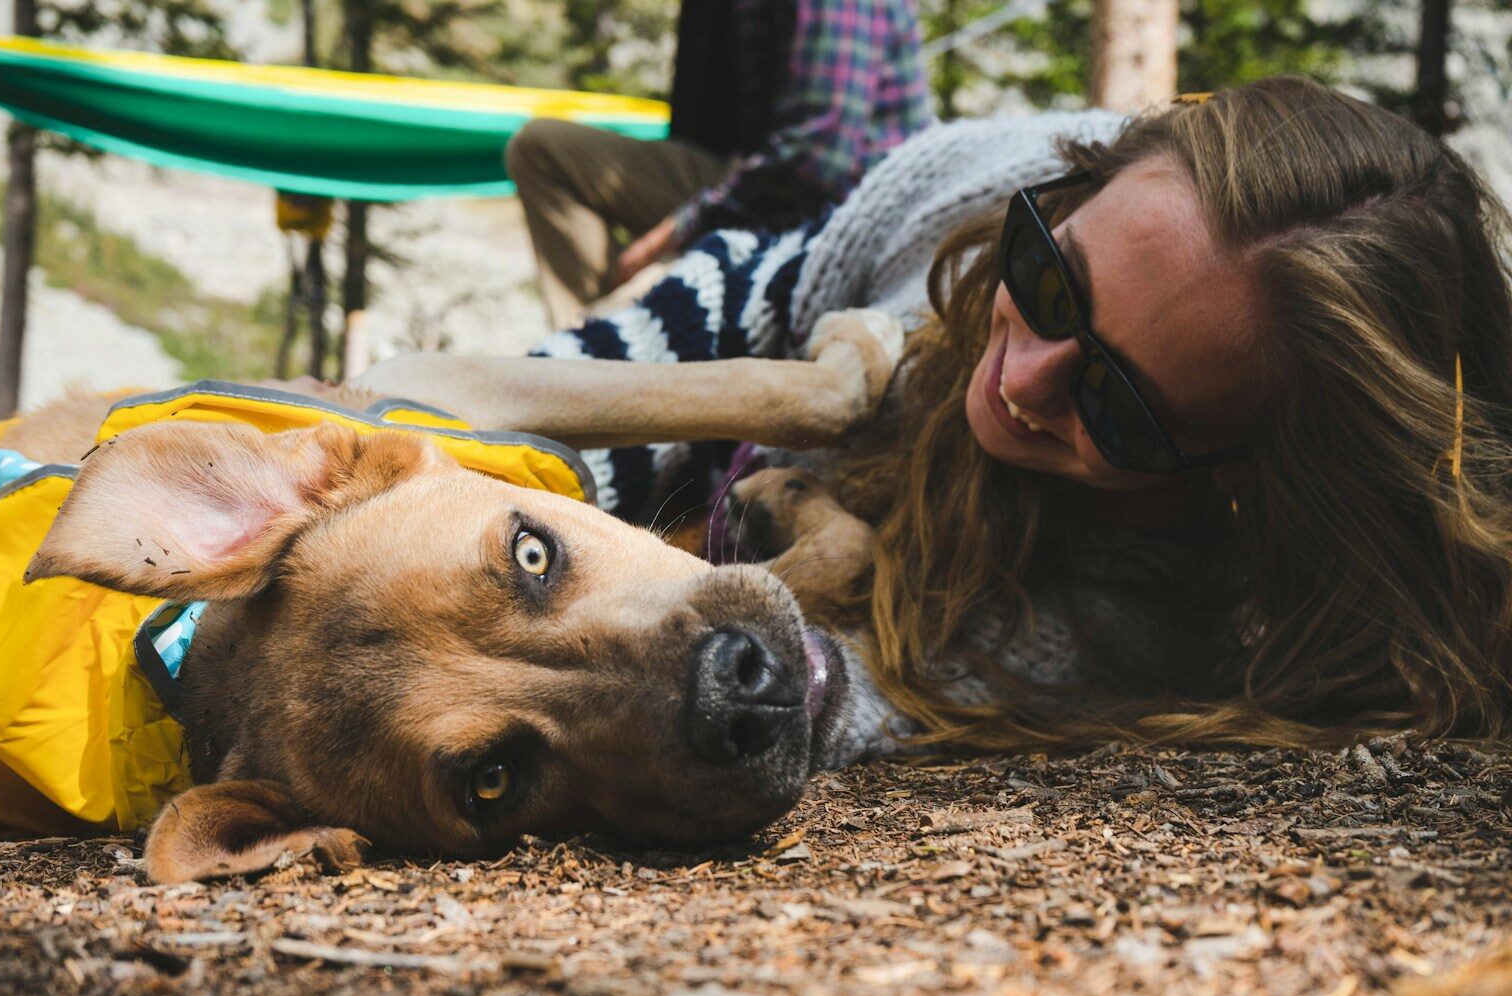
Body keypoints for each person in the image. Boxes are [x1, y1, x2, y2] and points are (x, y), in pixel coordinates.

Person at [375, 77, 1512, 757]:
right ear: (1074, 186)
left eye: (1115, 404)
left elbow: (775, 697)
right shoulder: (978, 192)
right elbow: (738, 299)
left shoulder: (1135, 615)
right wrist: (472, 468)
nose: (1023, 381)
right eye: (1051, 274)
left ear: (1244, 474)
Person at [503, 0, 931, 328]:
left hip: (848, 216)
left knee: (636, 303)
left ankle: (595, 367)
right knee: (542, 149)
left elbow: (816, 158)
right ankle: (588, 368)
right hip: (746, 177)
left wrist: (678, 231)